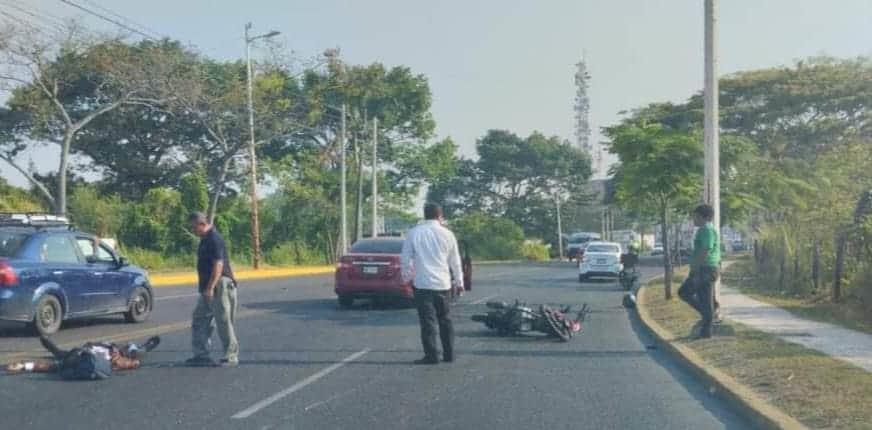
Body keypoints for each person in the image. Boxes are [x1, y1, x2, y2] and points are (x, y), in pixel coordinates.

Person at [401, 203, 464, 365]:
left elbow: (406, 260)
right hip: (443, 284)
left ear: (424, 215)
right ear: (440, 216)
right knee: (445, 319)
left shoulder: (413, 233)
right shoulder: (448, 234)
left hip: (422, 284)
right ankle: (449, 354)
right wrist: (459, 281)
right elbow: (455, 261)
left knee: (427, 321)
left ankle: (432, 355)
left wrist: (406, 280)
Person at [186, 212, 239, 367]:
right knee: (200, 318)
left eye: (193, 226)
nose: (192, 230)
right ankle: (201, 355)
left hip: (218, 284)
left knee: (223, 321)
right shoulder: (204, 240)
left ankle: (231, 356)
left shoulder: (214, 239)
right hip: (207, 287)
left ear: (202, 224)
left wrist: (210, 288)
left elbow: (219, 265)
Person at [5, 335, 160, 374]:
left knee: (60, 359)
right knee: (61, 356)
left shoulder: (116, 359)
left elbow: (133, 363)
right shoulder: (110, 349)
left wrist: (25, 365)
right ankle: (143, 348)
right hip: (85, 353)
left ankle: (24, 365)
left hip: (90, 355)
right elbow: (49, 367)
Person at [678, 204, 722, 339]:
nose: (693, 219)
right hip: (708, 268)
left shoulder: (706, 230)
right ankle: (706, 330)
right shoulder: (706, 229)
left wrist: (695, 268)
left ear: (705, 217)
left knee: (684, 292)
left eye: (696, 216)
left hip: (705, 269)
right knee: (705, 299)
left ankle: (709, 315)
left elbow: (705, 250)